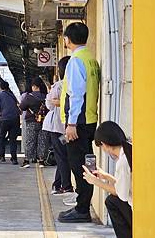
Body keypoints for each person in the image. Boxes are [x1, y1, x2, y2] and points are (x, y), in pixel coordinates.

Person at [58, 22, 101, 223]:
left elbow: (76, 95)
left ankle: (82, 209)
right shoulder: (91, 59)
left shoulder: (75, 61)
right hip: (90, 120)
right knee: (87, 163)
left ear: (67, 39)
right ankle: (82, 205)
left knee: (79, 166)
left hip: (79, 123)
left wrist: (71, 124)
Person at [83, 121, 132, 238]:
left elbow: (122, 195)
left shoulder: (123, 161)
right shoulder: (130, 149)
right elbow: (126, 185)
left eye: (101, 147)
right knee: (112, 200)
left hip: (138, 209)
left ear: (105, 144)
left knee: (112, 201)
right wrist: (105, 176)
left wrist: (95, 181)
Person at [44, 57, 74, 194]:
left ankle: (66, 185)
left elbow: (49, 105)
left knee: (61, 156)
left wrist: (57, 101)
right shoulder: (74, 83)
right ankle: (57, 184)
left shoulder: (58, 85)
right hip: (67, 126)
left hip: (56, 126)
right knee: (64, 155)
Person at [19, 77, 48, 168]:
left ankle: (27, 160)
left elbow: (22, 107)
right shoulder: (45, 96)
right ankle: (41, 161)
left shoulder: (29, 97)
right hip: (43, 122)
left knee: (30, 140)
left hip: (31, 121)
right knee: (42, 141)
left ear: (34, 86)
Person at [0, 80, 21, 164]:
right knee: (13, 139)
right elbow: (17, 105)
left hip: (4, 119)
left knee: (1, 138)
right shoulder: (12, 96)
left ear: (0, 88)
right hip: (15, 119)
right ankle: (14, 159)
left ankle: (1, 157)